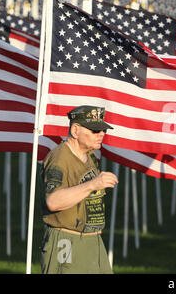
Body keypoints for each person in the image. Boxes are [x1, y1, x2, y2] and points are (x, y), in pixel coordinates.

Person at [40, 105, 118, 274]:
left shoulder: (89, 155)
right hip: (67, 241)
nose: (101, 135)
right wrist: (92, 184)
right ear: (75, 130)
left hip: (92, 241)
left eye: (103, 130)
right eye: (94, 131)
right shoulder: (59, 158)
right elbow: (53, 201)